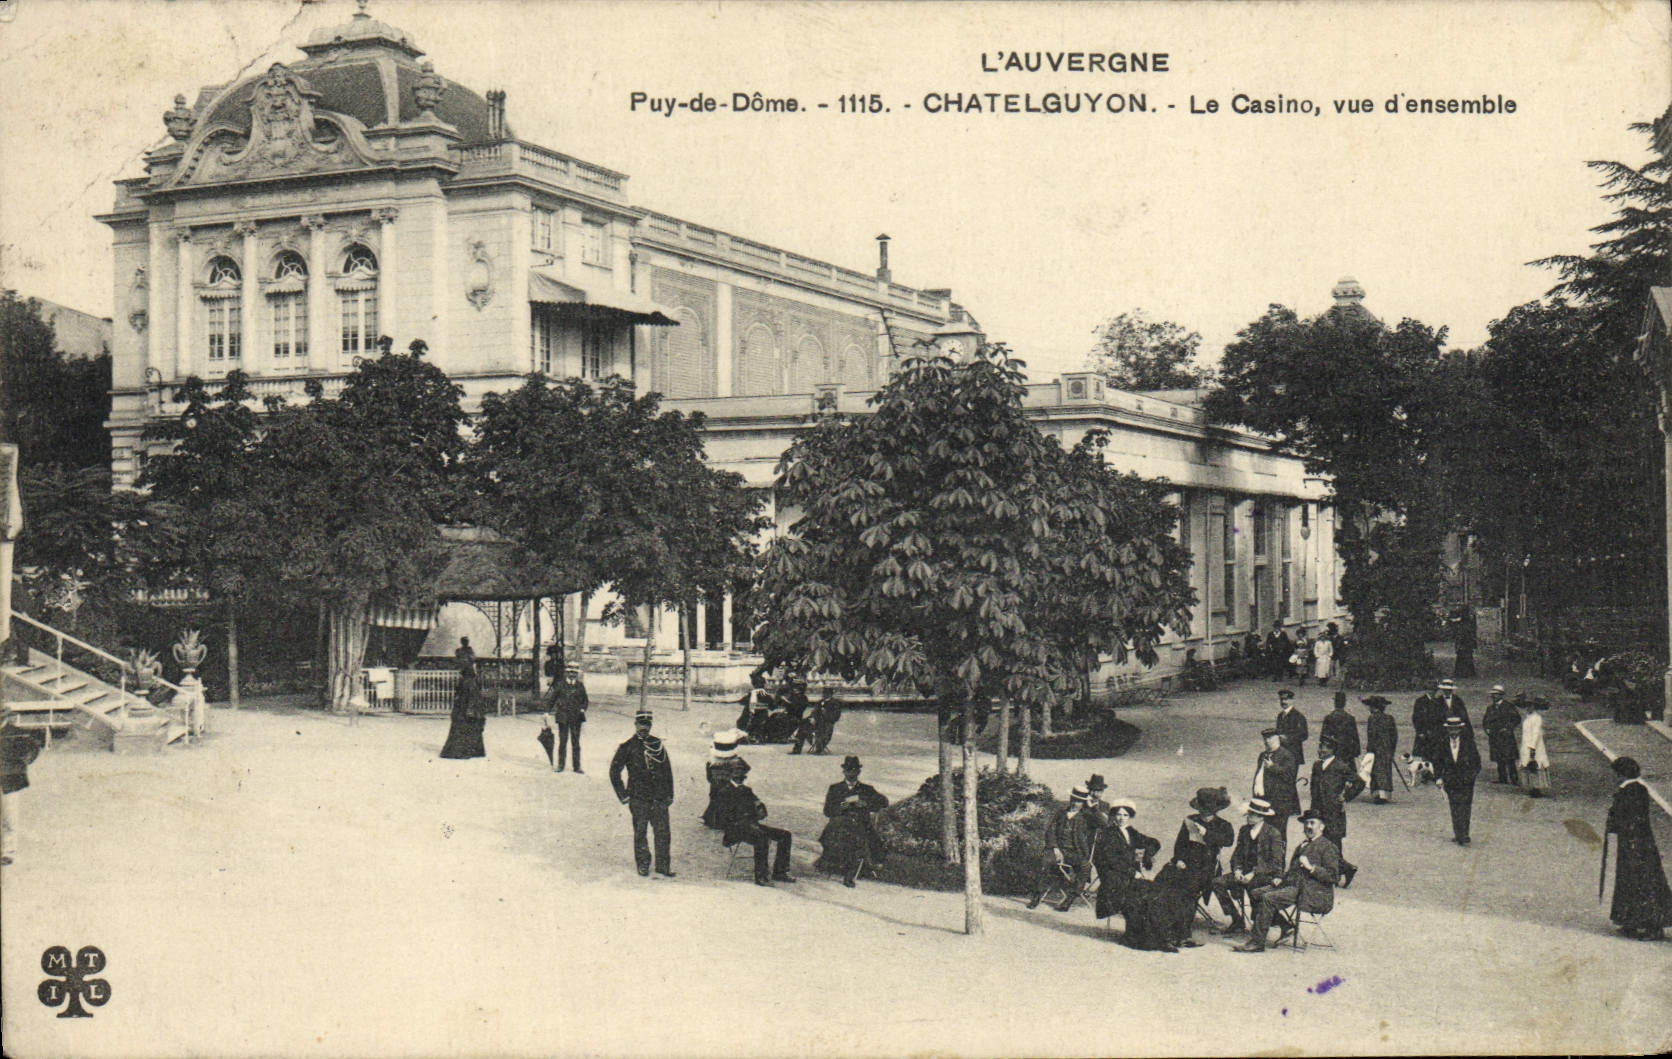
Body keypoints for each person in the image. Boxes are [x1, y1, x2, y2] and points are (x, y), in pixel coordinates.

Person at [1233, 809, 1340, 953]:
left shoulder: (1327, 847)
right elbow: (1293, 871)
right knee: (1256, 893)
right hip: (1292, 886)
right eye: (1306, 823)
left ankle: (1257, 942)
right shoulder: (1303, 844)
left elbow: (1333, 876)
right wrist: (1280, 879)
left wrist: (1311, 867)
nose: (1308, 826)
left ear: (1322, 827)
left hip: (1312, 891)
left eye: (1312, 823)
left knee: (1268, 898)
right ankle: (1286, 926)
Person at [1156, 786, 1235, 947]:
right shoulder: (1191, 820)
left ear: (1215, 810)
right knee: (1163, 878)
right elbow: (1180, 844)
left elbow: (1228, 841)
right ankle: (1161, 924)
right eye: (1202, 810)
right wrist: (1178, 859)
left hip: (1206, 867)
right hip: (1185, 863)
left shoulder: (1223, 825)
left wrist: (1206, 834)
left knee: (1188, 889)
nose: (1204, 814)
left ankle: (1183, 933)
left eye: (1208, 811)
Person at [1604, 756, 1672, 940]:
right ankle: (1632, 921)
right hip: (1639, 842)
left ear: (1622, 774)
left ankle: (1652, 926)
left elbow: (1628, 817)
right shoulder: (1637, 789)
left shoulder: (1630, 791)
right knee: (1634, 880)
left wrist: (1614, 822)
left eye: (1616, 774)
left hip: (1635, 843)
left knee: (1641, 882)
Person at [1089, 800, 1167, 950]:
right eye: (1118, 814)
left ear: (1130, 817)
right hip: (1113, 879)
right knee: (1139, 893)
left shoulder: (1131, 832)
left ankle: (1150, 936)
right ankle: (1134, 937)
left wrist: (1147, 856)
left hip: (1129, 876)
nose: (1121, 818)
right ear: (1113, 816)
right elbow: (1112, 860)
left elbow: (1154, 842)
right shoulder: (1107, 834)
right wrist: (1133, 872)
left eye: (1125, 815)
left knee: (1154, 891)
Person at [609, 709, 676, 877]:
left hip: (659, 798)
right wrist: (623, 795)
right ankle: (643, 864)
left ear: (651, 725)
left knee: (663, 832)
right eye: (640, 724)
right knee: (640, 833)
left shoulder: (657, 744)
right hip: (639, 797)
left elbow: (667, 771)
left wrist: (669, 795)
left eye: (646, 725)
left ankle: (662, 866)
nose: (643, 728)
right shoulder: (627, 746)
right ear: (635, 725)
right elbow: (614, 771)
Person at [1211, 797, 1287, 936]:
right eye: (1249, 813)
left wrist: (1253, 873)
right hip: (1243, 874)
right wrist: (1237, 870)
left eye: (1252, 814)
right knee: (1217, 883)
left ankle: (1281, 923)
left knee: (1255, 889)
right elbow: (1237, 854)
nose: (1248, 817)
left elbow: (1276, 861)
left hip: (1263, 875)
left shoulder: (1273, 833)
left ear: (1261, 817)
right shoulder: (1244, 830)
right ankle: (1236, 920)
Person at [717, 760, 795, 886]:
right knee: (761, 837)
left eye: (742, 774)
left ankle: (780, 872)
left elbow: (760, 810)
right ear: (730, 775)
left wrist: (760, 808)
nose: (740, 777)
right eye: (737, 774)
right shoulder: (724, 791)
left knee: (785, 835)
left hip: (752, 825)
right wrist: (746, 820)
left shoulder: (747, 790)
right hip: (735, 830)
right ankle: (761, 876)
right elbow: (723, 818)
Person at [817, 755, 889, 886]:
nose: (851, 773)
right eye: (848, 770)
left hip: (860, 823)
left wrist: (866, 803)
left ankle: (849, 875)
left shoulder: (866, 789)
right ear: (844, 771)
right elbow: (827, 811)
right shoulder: (835, 788)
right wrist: (839, 807)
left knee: (857, 838)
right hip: (840, 823)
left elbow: (884, 802)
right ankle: (837, 866)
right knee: (839, 835)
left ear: (858, 772)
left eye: (854, 770)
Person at [1027, 786, 1098, 911]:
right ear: (1070, 799)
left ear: (1084, 803)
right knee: (1045, 861)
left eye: (1080, 801)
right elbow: (1050, 830)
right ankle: (1037, 896)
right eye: (1074, 799)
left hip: (1075, 853)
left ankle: (1069, 899)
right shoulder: (1061, 813)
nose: (1076, 803)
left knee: (1085, 866)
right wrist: (1054, 847)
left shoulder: (1087, 817)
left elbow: (1104, 823)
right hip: (1058, 850)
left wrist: (1093, 807)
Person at [1309, 736, 1364, 887]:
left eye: (1325, 748)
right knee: (1320, 842)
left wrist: (1345, 796)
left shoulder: (1340, 766)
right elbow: (1313, 789)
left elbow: (1359, 782)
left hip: (1334, 813)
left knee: (1333, 844)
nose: (1321, 750)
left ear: (1332, 750)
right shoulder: (1317, 766)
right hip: (1318, 812)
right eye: (1320, 747)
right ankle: (1341, 870)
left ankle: (1341, 871)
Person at [1, 708, 44, 866]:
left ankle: (8, 851)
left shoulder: (17, 733)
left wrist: (23, 762)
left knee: (9, 815)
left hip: (10, 778)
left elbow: (33, 749)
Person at [1433, 714, 1480, 846]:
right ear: (1447, 730)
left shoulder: (1468, 743)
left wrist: (1471, 777)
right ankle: (1458, 833)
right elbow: (1437, 761)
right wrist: (1438, 777)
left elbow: (1477, 762)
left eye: (1456, 729)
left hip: (1466, 781)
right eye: (1451, 729)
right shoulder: (1442, 743)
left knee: (1465, 806)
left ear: (1460, 729)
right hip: (1450, 780)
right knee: (1454, 806)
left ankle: (1464, 833)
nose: (1453, 731)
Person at [439, 644, 487, 759]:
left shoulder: (468, 678)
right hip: (466, 706)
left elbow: (471, 695)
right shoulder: (468, 675)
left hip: (466, 707)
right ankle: (473, 749)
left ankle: (461, 750)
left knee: (463, 725)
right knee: (466, 726)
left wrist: (470, 709)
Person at [1251, 727, 1302, 831]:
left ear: (1277, 738)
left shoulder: (1287, 755)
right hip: (1262, 799)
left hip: (1278, 803)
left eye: (1270, 738)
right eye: (1265, 739)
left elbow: (1290, 777)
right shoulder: (1263, 755)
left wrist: (1273, 767)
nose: (1267, 741)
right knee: (1262, 831)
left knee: (1278, 832)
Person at [703, 728, 749, 829]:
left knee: (716, 801)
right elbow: (745, 770)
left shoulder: (712, 762)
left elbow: (709, 777)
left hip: (716, 787)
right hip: (731, 787)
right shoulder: (737, 761)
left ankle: (714, 820)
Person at [548, 662, 588, 773]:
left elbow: (585, 700)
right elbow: (552, 699)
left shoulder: (580, 685)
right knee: (563, 742)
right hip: (563, 717)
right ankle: (561, 765)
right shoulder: (560, 685)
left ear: (577, 674)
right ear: (567, 673)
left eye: (575, 673)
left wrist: (582, 709)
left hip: (576, 718)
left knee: (576, 743)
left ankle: (577, 767)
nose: (572, 675)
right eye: (570, 672)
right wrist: (547, 711)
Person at [1481, 685, 1522, 786]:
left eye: (1496, 695)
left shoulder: (1508, 706)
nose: (1494, 697)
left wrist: (1508, 728)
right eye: (1493, 695)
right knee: (1499, 758)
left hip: (1506, 737)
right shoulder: (1490, 708)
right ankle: (1502, 778)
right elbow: (1485, 721)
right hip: (1495, 737)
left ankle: (1514, 779)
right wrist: (1487, 729)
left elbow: (1516, 718)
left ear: (1501, 695)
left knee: (1510, 758)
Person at [1362, 696, 1398, 804]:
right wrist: (1392, 749)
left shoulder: (1372, 718)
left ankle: (1377, 794)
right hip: (1387, 749)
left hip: (1376, 749)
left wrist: (1370, 749)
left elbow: (1371, 735)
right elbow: (1394, 736)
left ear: (1373, 707)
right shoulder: (1389, 718)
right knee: (1385, 770)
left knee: (1376, 771)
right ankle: (1385, 794)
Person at [1410, 680, 1448, 770]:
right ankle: (1426, 774)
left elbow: (1443, 716)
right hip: (1424, 732)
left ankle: (1436, 773)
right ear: (1426, 690)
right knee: (1425, 754)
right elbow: (1416, 718)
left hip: (1437, 732)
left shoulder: (1440, 701)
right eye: (1430, 690)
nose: (1432, 692)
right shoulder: (1420, 701)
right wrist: (1420, 732)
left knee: (1437, 753)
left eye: (1434, 690)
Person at [1519, 696, 1550, 798]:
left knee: (1536, 765)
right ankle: (1532, 787)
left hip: (1535, 745)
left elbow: (1536, 733)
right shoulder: (1528, 718)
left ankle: (1537, 788)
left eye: (1530, 706)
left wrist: (1532, 747)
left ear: (1534, 707)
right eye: (1527, 706)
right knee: (1528, 764)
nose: (1528, 708)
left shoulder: (1537, 718)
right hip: (1526, 744)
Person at [1320, 691, 1361, 762]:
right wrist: (1356, 752)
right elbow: (1355, 737)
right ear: (1344, 703)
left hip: (1332, 752)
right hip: (1347, 752)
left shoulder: (1329, 718)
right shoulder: (1350, 718)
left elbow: (1323, 737)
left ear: (1335, 703)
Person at [1275, 688, 1308, 766]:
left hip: (1293, 754)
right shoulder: (1280, 716)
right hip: (1281, 754)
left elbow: (1304, 735)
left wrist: (1287, 738)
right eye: (1281, 699)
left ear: (1292, 700)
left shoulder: (1298, 716)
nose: (1283, 702)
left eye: (1286, 699)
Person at [810, 690, 843, 754]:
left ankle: (819, 748)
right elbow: (814, 711)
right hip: (817, 721)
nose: (824, 695)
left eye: (826, 694)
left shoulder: (835, 703)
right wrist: (812, 717)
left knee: (825, 732)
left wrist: (826, 714)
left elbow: (836, 715)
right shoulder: (819, 702)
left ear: (830, 694)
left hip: (828, 722)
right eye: (824, 694)